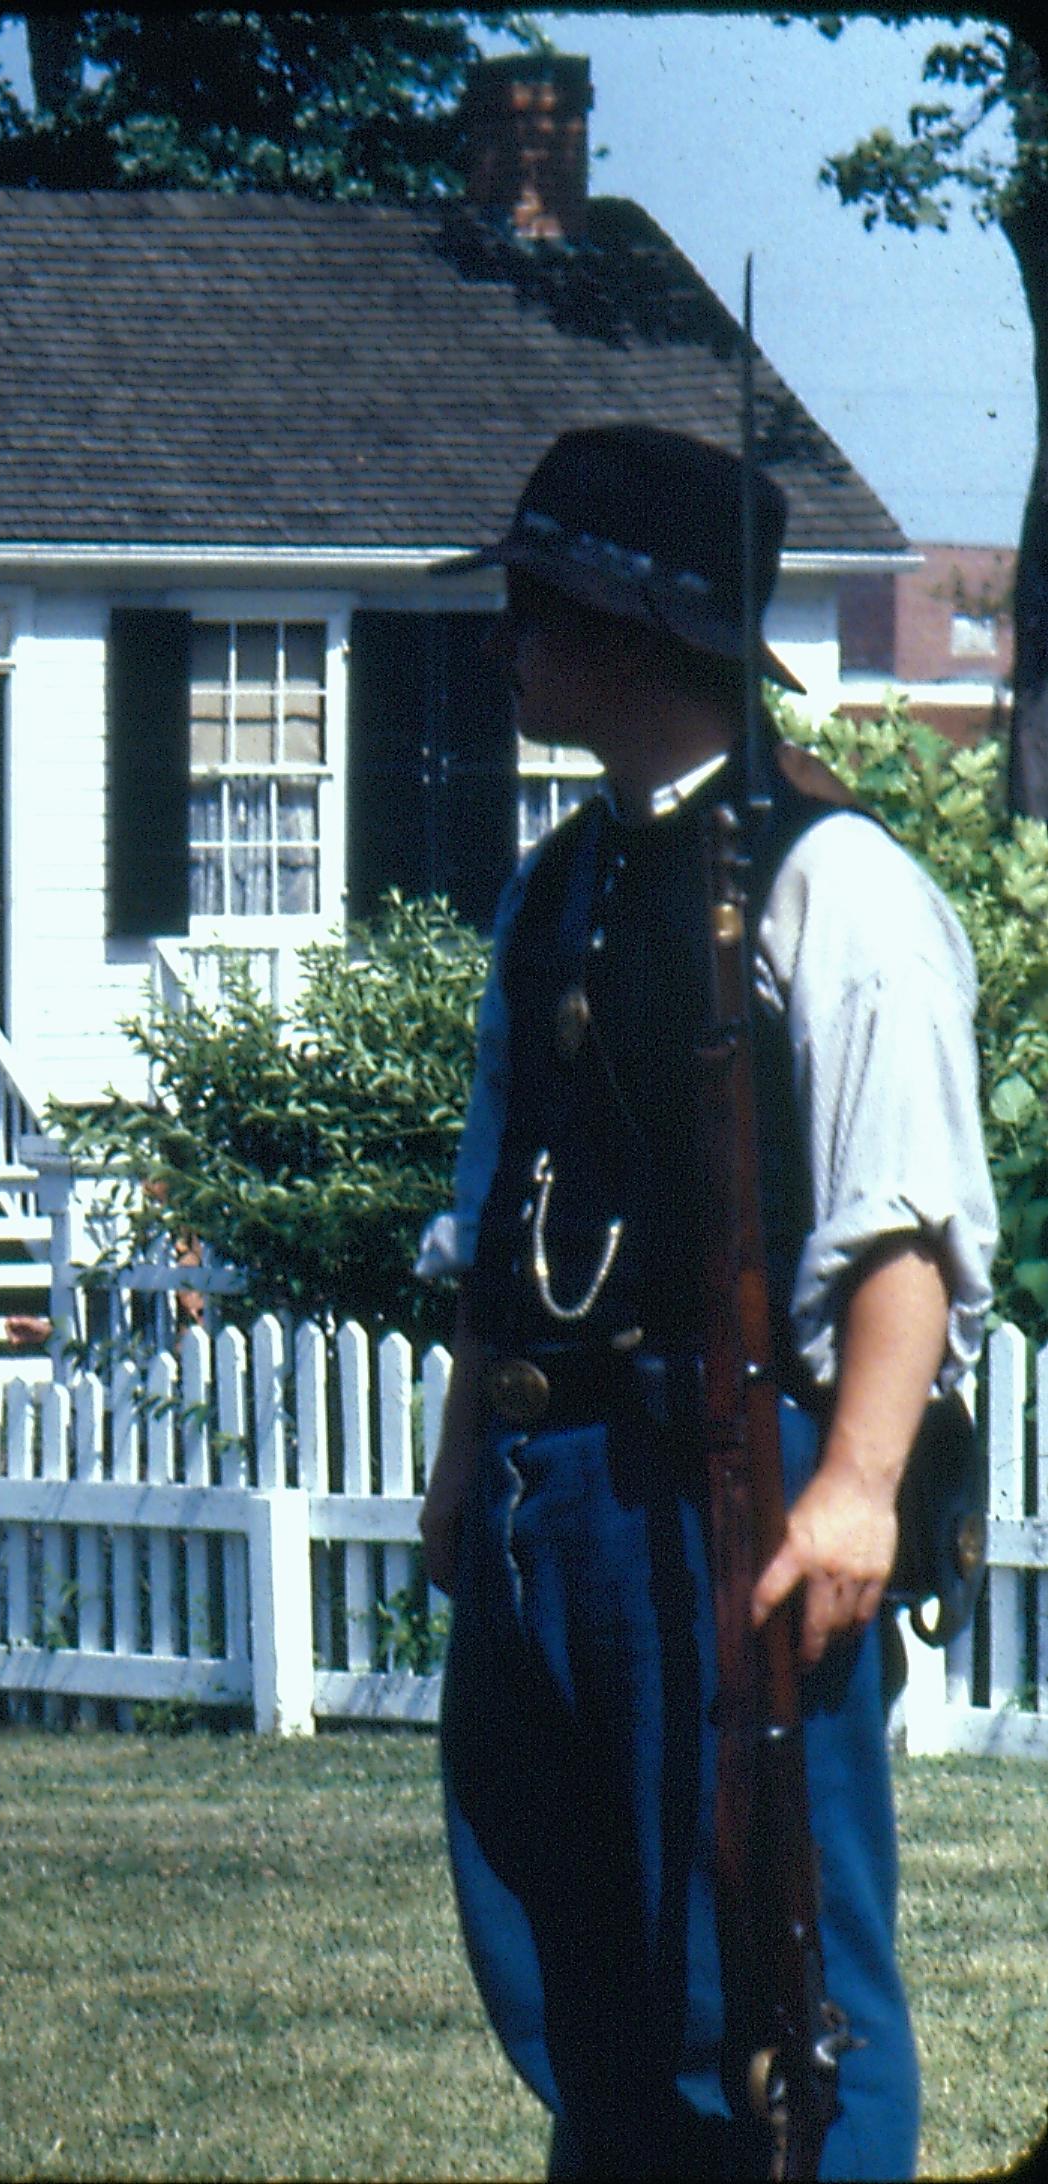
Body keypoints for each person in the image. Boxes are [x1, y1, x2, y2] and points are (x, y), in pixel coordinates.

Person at [410, 425, 995, 2178]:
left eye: (535, 605)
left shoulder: (838, 883)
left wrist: (856, 1485)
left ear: (629, 629)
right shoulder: (557, 888)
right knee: (572, 1970)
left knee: (778, 1972)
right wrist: (464, 1464)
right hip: (550, 1488)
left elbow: (904, 1231)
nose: (506, 640)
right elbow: (502, 1214)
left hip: (730, 1481)